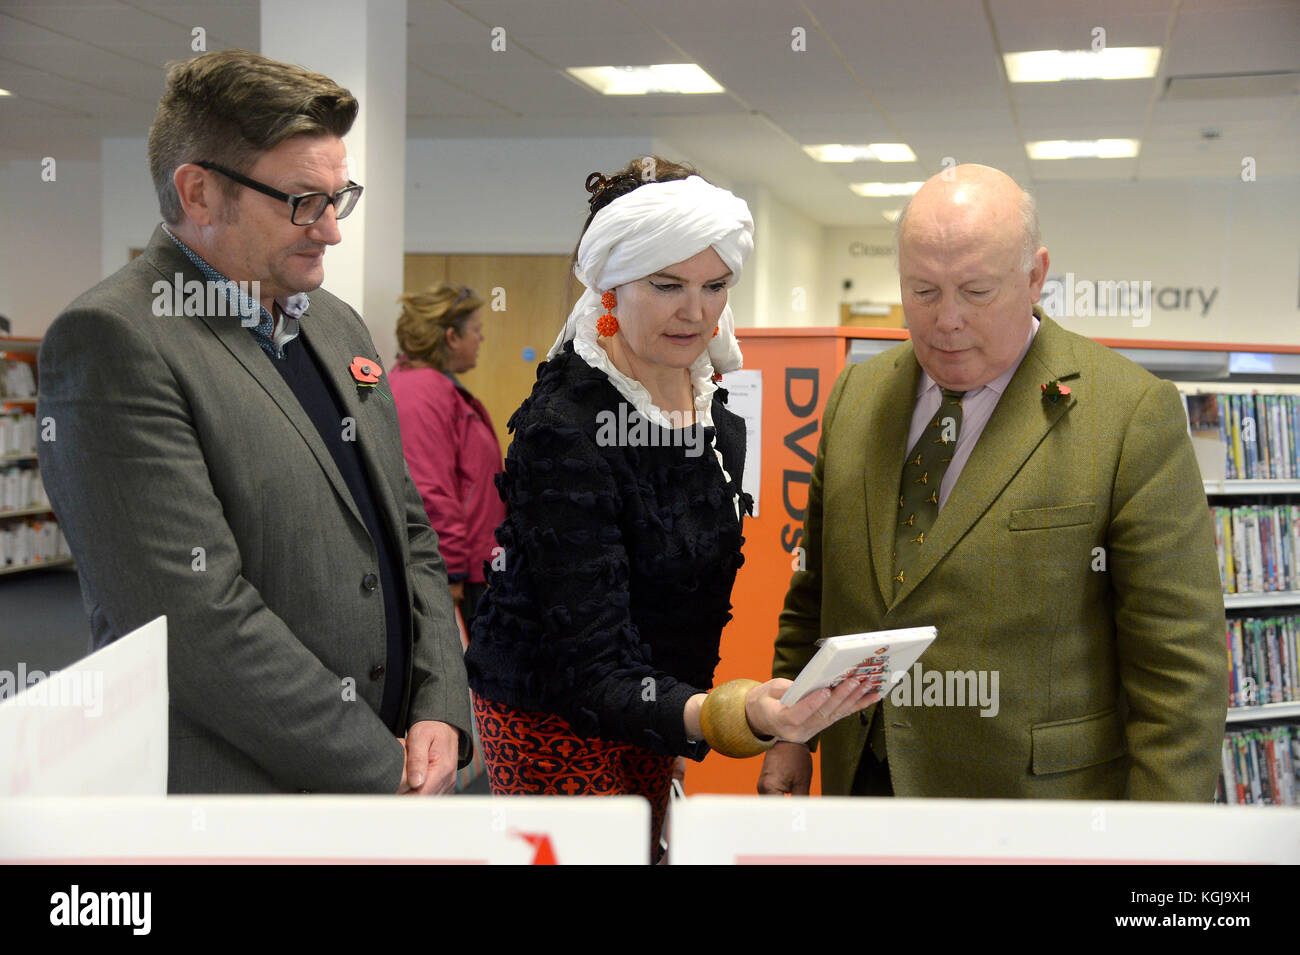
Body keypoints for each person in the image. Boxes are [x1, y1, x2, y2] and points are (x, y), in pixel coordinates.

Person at [36, 50, 471, 794]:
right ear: (199, 193)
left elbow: (409, 533)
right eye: (303, 202)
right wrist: (378, 766)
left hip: (398, 766)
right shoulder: (116, 339)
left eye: (341, 197)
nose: (331, 230)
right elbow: (192, 620)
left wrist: (439, 706)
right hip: (242, 794)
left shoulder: (336, 326)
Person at [759, 163, 1227, 801]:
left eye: (975, 291)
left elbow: (1180, 670)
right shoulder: (857, 395)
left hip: (1034, 804)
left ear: (1035, 276)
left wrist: (1157, 854)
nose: (946, 319)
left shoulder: (1129, 414)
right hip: (862, 783)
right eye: (922, 291)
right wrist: (791, 737)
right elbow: (816, 590)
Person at [464, 159, 877, 852]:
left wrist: (687, 716)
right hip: (557, 720)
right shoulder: (565, 426)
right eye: (667, 285)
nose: (696, 311)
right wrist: (727, 711)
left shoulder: (717, 405)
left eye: (715, 285)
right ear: (610, 287)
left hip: (653, 710)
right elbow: (591, 668)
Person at [389, 284, 503, 628]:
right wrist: (448, 571)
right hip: (456, 576)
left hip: (471, 570)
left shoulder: (435, 386)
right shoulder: (422, 391)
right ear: (452, 337)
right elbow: (428, 490)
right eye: (477, 331)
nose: (480, 340)